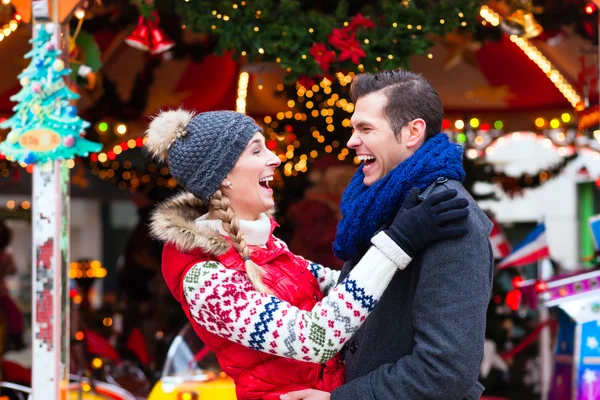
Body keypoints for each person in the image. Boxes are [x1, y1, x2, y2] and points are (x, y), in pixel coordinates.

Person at [144, 109, 471, 400]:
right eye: (257, 150)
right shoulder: (203, 277)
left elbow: (341, 285)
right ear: (223, 176)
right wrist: (398, 240)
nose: (275, 159)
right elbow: (316, 337)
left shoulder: (267, 247)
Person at [284, 70, 494, 400]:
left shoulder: (448, 215)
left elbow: (444, 370)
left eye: (365, 129)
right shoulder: (382, 206)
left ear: (413, 132)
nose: (352, 141)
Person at [0, 220, 25, 351]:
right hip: (2, 291)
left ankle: (15, 338)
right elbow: (12, 271)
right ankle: (16, 338)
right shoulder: (6, 256)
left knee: (14, 313)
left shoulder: (6, 256)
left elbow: (12, 271)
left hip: (2, 292)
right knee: (13, 313)